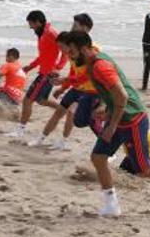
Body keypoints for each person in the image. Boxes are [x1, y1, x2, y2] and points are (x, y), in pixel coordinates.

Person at [60, 31, 150, 216]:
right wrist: (107, 109)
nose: (68, 56)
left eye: (71, 52)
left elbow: (123, 95)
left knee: (143, 169)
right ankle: (112, 205)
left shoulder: (100, 66)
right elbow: (111, 93)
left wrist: (111, 126)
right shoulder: (92, 63)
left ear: (84, 49)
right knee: (98, 157)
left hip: (132, 120)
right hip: (119, 117)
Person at [28, 14, 100, 149]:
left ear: (85, 28)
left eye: (75, 25)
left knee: (83, 118)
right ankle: (42, 139)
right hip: (77, 88)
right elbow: (74, 71)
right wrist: (63, 87)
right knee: (59, 112)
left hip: (91, 91)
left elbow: (89, 75)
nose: (71, 28)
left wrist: (64, 81)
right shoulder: (73, 48)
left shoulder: (91, 49)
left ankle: (106, 151)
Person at [7, 10, 68, 138]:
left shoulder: (51, 33)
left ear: (38, 22)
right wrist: (30, 66)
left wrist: (58, 68)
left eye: (31, 24)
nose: (30, 27)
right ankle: (64, 109)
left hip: (47, 74)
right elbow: (43, 56)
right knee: (41, 100)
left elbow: (65, 51)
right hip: (44, 72)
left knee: (27, 101)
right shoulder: (42, 34)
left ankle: (20, 130)